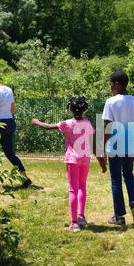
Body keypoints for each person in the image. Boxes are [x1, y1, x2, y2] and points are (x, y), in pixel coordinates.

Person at [31, 96, 105, 232]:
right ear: (85, 109)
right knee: (82, 186)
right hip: (85, 160)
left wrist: (36, 122)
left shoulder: (68, 124)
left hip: (72, 160)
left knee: (73, 189)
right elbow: (94, 145)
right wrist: (101, 162)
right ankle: (81, 216)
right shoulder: (89, 124)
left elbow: (48, 127)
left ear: (70, 109)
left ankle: (74, 222)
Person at [101, 71, 134, 226]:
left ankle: (119, 216)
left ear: (117, 84)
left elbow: (108, 126)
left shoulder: (111, 101)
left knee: (116, 180)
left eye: (111, 83)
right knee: (129, 175)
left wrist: (104, 147)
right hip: (130, 142)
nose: (110, 86)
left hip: (115, 143)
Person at [0, 63, 32, 188]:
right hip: (10, 123)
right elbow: (13, 109)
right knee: (10, 153)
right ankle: (25, 178)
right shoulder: (8, 89)